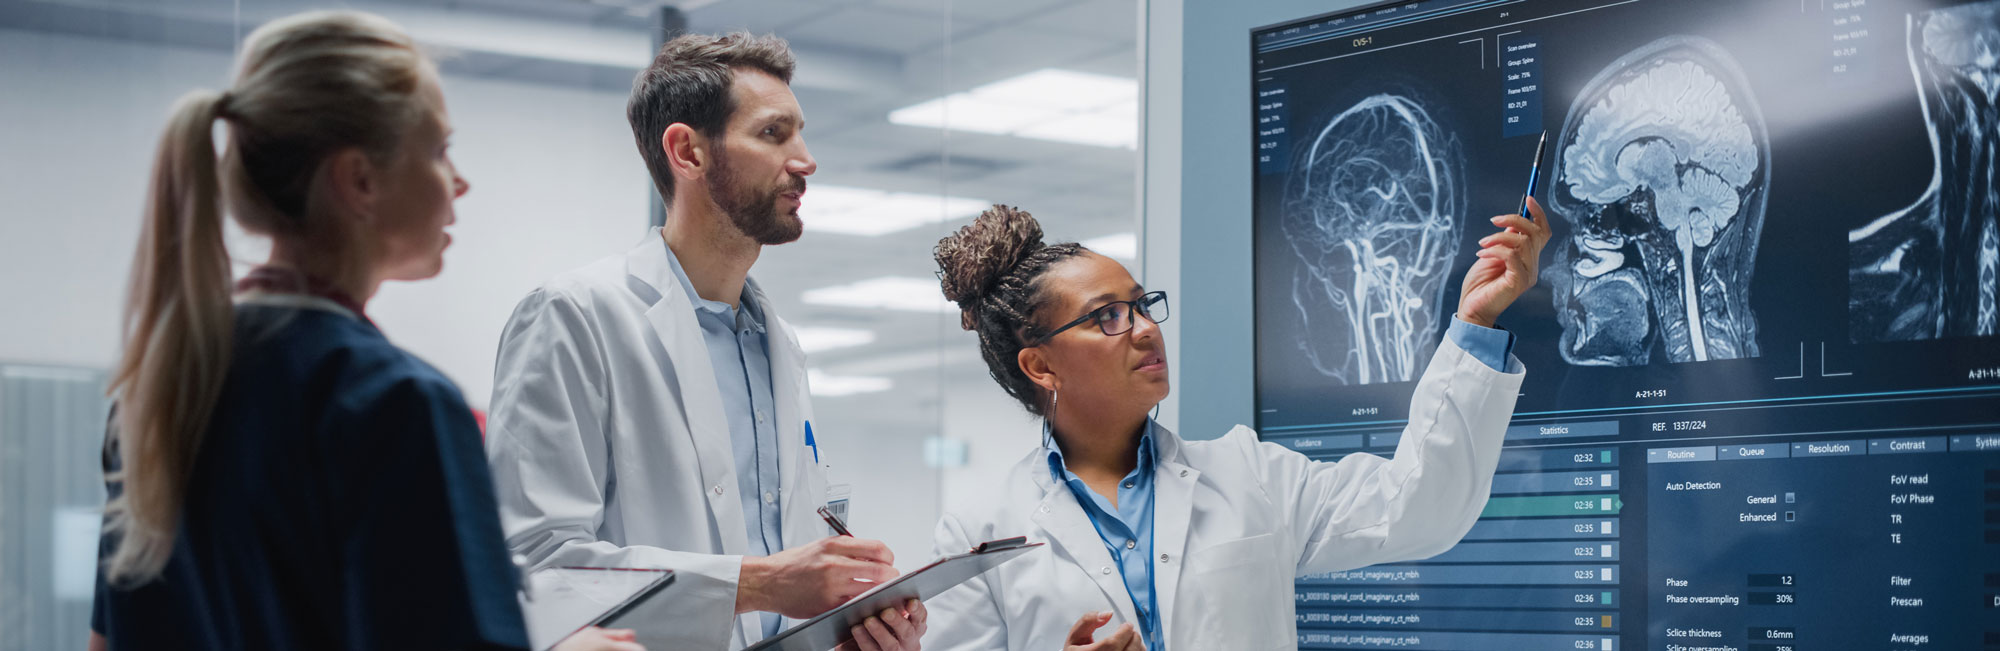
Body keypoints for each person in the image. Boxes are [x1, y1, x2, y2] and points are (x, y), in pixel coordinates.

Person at [86, 11, 639, 651]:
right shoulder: (393, 403)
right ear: (360, 180)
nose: (459, 182)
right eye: (437, 150)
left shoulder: (160, 389)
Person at [922, 202, 1550, 650]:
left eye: (1142, 305)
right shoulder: (980, 533)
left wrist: (1474, 327)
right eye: (1106, 317)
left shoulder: (1249, 476)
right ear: (1040, 365)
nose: (1144, 328)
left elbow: (1422, 508)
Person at [485, 31, 924, 651]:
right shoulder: (574, 315)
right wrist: (760, 585)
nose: (806, 160)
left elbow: (781, 578)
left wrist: (845, 629)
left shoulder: (779, 343)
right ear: (687, 151)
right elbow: (533, 564)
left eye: (800, 132)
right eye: (774, 134)